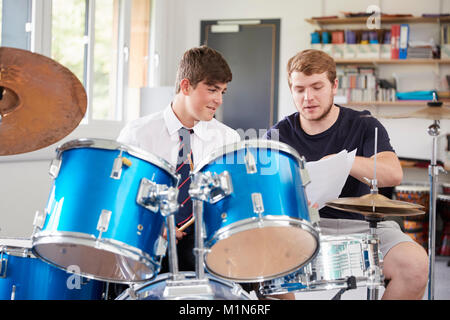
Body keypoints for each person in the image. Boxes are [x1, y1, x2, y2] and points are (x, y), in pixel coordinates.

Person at [263, 49, 429, 300]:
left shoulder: (364, 125)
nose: (308, 97)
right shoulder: (278, 135)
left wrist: (343, 162)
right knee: (266, 270)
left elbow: (392, 174)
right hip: (305, 228)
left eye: (317, 87)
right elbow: (266, 193)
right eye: (299, 89)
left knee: (415, 266)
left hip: (366, 226)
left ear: (334, 85)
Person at [116, 45, 241, 281]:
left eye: (223, 92)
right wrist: (154, 224)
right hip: (146, 246)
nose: (218, 100)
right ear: (185, 86)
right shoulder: (138, 134)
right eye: (212, 90)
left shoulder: (227, 139)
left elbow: (231, 203)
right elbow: (119, 195)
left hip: (206, 252)